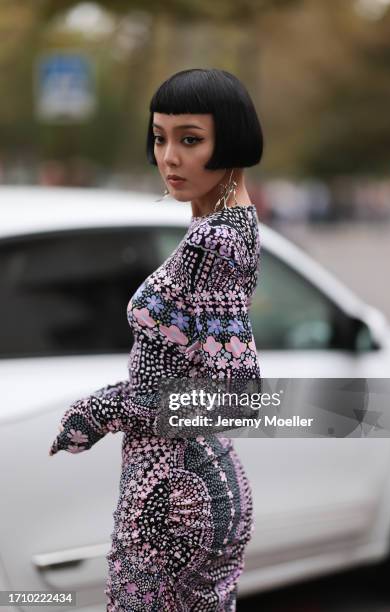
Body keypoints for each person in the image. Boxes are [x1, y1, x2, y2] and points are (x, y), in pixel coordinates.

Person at [49, 67, 263, 611]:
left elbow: (235, 394)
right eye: (160, 137)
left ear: (230, 140)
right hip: (188, 482)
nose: (169, 157)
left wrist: (105, 408)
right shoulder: (229, 225)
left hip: (175, 490)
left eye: (190, 139)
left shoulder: (215, 242)